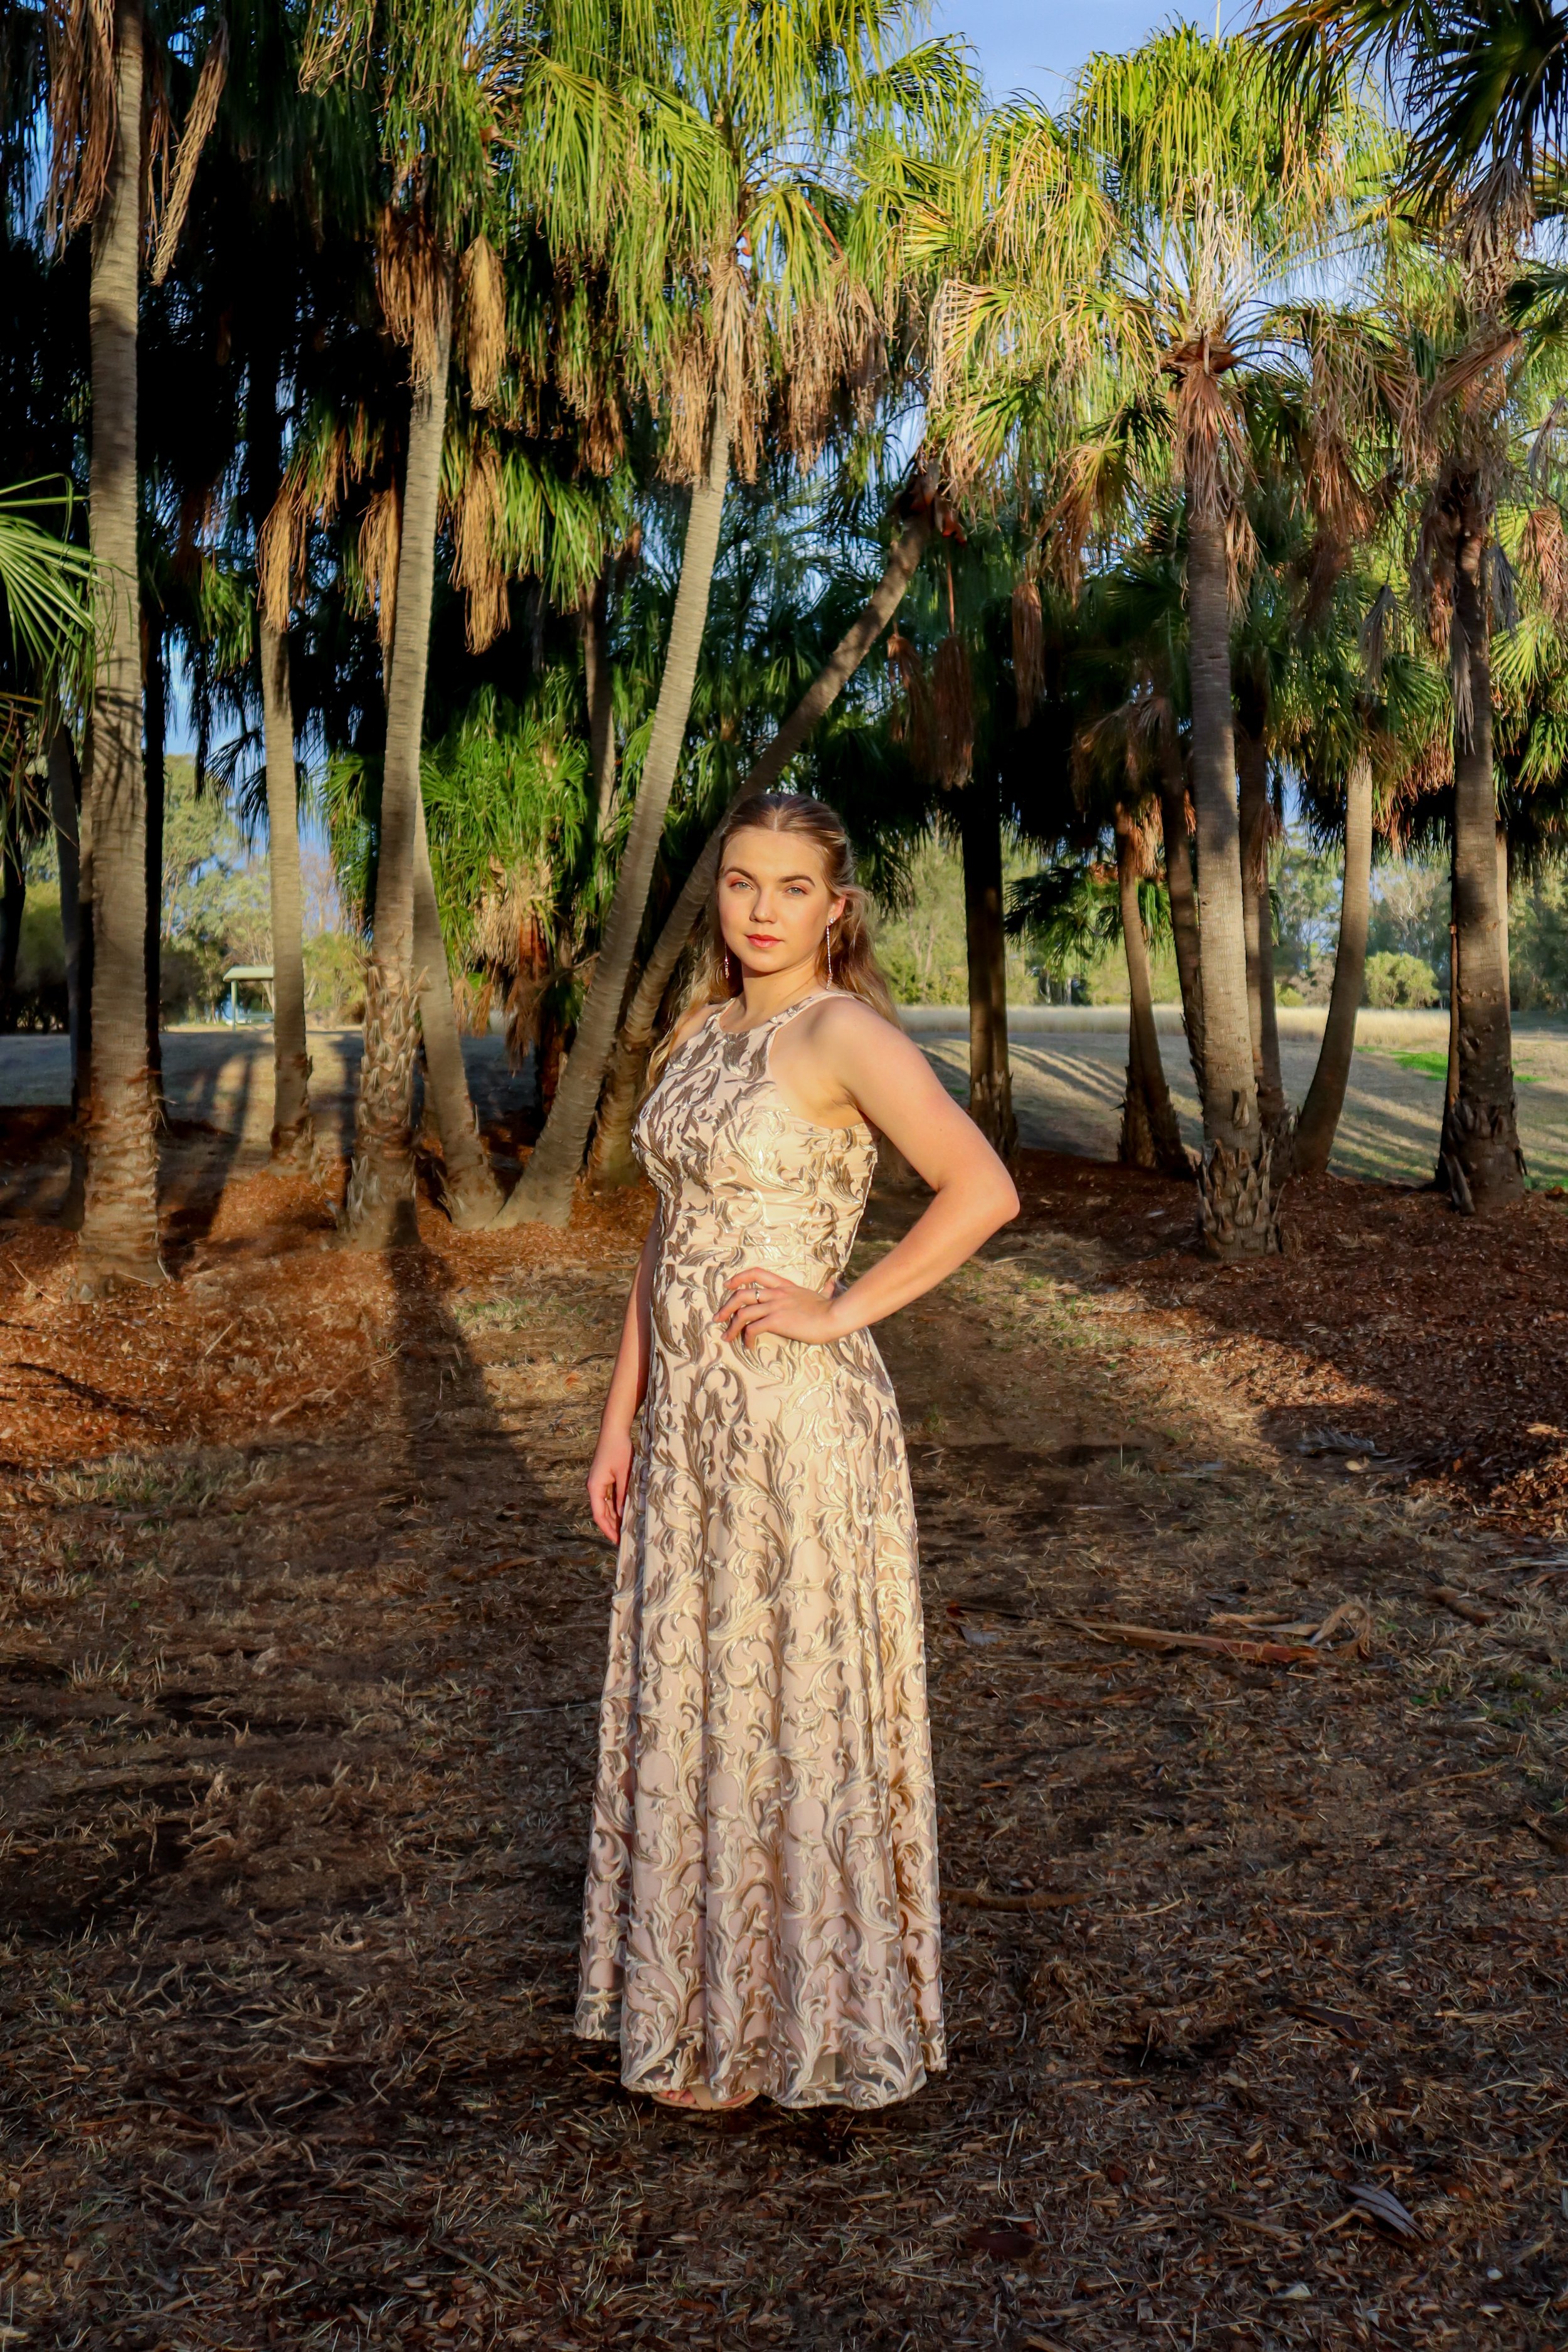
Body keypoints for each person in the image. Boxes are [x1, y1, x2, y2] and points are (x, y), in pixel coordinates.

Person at [575, 790, 1019, 2111]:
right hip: (693, 1426)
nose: (759, 911)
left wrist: (837, 1306)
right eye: (738, 884)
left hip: (794, 1420)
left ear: (836, 907)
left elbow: (982, 1188)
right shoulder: (700, 1034)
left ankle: (805, 2023)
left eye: (789, 889)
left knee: (793, 1701)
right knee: (706, 1693)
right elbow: (663, 1240)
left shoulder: (842, 1033)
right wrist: (621, 1418)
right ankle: (706, 2008)